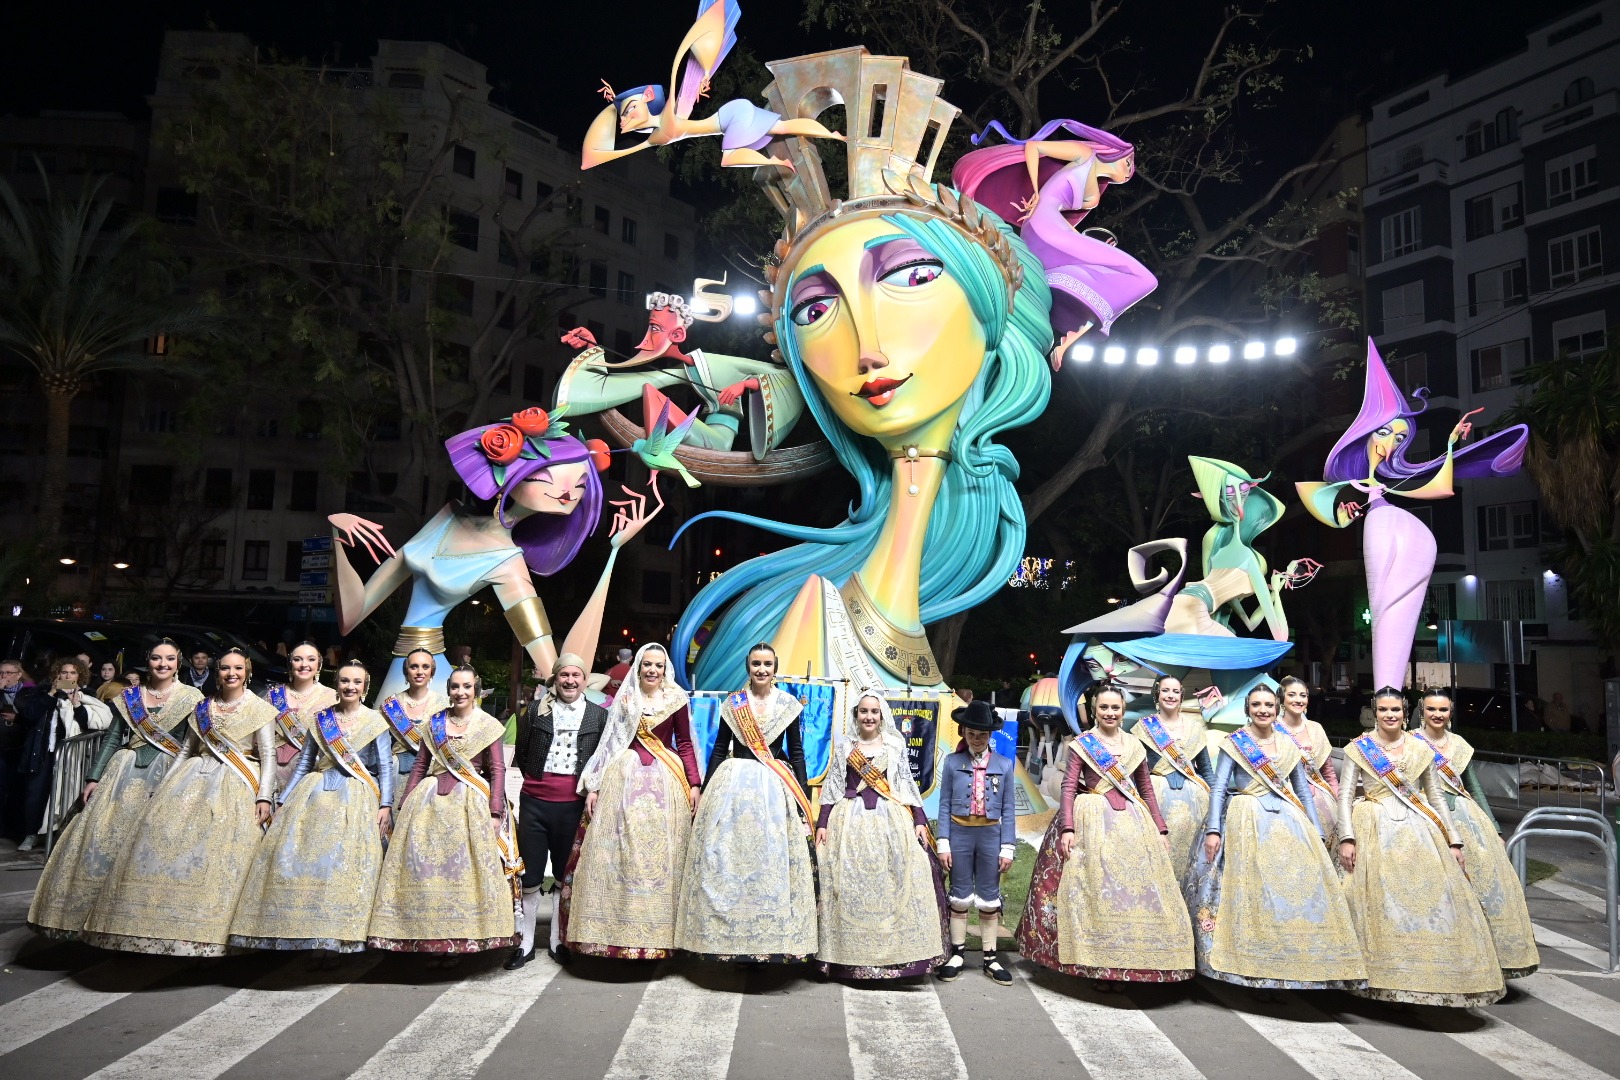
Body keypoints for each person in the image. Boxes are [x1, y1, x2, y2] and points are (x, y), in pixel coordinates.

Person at [327, 408, 656, 703]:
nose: (568, 492)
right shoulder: (448, 516)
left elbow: (554, 667)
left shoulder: (509, 564)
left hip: (434, 683)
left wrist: (614, 553)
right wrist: (337, 540)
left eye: (580, 485)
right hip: (410, 669)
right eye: (547, 478)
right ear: (510, 476)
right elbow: (351, 616)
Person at [1298, 340, 1527, 690]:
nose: (1389, 443)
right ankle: (1385, 693)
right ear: (1366, 432)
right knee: (1383, 607)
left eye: (1399, 437)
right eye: (1384, 431)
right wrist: (1345, 511)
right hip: (1379, 527)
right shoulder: (1354, 483)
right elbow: (1332, 513)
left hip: (1401, 530)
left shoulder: (1394, 480)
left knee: (1392, 608)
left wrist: (1451, 444)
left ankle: (1387, 693)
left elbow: (1440, 487)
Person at [82, 648, 277, 955]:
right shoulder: (203, 707)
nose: (231, 674)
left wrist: (264, 796)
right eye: (225, 668)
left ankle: (211, 932)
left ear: (247, 672)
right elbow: (186, 750)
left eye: (238, 668)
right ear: (217, 672)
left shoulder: (260, 709)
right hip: (192, 778)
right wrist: (165, 787)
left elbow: (268, 755)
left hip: (236, 782)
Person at [1187, 685, 1365, 990]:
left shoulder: (1288, 744)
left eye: (1269, 705)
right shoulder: (1235, 742)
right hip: (1246, 818)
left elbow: (1302, 791)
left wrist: (1317, 831)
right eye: (1256, 704)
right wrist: (1214, 829)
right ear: (1248, 709)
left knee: (1292, 891)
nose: (1263, 710)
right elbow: (1218, 787)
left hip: (1288, 820)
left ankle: (1293, 961)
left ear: (1276, 708)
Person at [1017, 685, 1194, 987]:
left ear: (1123, 711)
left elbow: (1145, 788)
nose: (1110, 713)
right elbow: (1069, 787)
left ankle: (1132, 962)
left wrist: (1161, 829)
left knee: (1131, 896)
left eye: (1115, 708)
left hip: (1133, 825)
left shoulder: (1135, 746)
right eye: (1104, 708)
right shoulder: (1083, 744)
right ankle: (1096, 965)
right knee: (1095, 894)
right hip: (1092, 821)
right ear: (1095, 711)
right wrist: (1068, 828)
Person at [1337, 688, 1505, 1006]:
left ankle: (1427, 974)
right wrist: (1347, 837)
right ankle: (1376, 976)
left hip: (1418, 830)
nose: (1390, 715)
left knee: (1428, 900)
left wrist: (1453, 840)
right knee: (1379, 903)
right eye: (1383, 710)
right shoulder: (1359, 748)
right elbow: (1344, 796)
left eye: (1396, 710)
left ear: (1405, 712)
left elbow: (1436, 797)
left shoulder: (1420, 748)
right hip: (1373, 828)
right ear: (1374, 712)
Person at [28, 642, 204, 938]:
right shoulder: (130, 697)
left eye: (169, 659)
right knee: (107, 839)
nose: (162, 664)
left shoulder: (192, 697)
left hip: (171, 772)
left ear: (178, 662)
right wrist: (93, 777)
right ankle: (97, 916)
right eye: (157, 658)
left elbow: (193, 743)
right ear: (147, 661)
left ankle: (147, 918)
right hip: (126, 771)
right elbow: (112, 739)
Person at [953, 119, 1156, 365]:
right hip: (1043, 224)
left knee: (1130, 280)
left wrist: (1094, 246)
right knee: (1144, 278)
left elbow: (1067, 224)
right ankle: (1064, 296)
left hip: (1049, 234)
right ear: (1120, 155)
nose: (1128, 173)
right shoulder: (1084, 154)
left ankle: (1070, 337)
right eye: (1129, 164)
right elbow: (1034, 147)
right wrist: (1035, 193)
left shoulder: (1094, 193)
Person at [229, 661, 392, 958]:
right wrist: (283, 800)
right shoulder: (321, 720)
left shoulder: (375, 722)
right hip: (314, 794)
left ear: (365, 688)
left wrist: (386, 804)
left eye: (356, 682)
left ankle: (335, 938)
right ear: (336, 684)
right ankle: (302, 931)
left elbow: (384, 768)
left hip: (355, 796)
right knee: (305, 862)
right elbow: (305, 763)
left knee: (340, 866)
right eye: (344, 681)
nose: (350, 687)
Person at [367, 666, 518, 960]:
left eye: (467, 687)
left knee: (461, 873)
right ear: (448, 690)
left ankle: (458, 942)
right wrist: (405, 804)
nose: (460, 692)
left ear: (476, 690)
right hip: (429, 803)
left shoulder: (488, 725)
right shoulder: (434, 723)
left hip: (470, 804)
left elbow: (498, 769)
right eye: (455, 687)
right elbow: (421, 766)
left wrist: (495, 812)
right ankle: (427, 936)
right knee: (427, 871)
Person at [675, 642, 814, 962]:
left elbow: (796, 753)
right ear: (747, 667)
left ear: (775, 668)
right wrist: (706, 791)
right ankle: (729, 939)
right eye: (756, 664)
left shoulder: (788, 705)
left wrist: (803, 797)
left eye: (767, 664)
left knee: (769, 861)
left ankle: (767, 941)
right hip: (733, 787)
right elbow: (719, 749)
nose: (761, 669)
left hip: (773, 789)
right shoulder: (734, 703)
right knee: (728, 859)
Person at [562, 643, 700, 961]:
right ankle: (615, 935)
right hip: (623, 778)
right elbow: (610, 742)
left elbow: (685, 742)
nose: (653, 670)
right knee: (622, 853)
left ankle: (663, 937)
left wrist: (694, 783)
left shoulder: (676, 698)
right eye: (647, 664)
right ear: (638, 667)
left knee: (663, 856)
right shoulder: (626, 698)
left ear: (665, 669)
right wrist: (594, 787)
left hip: (667, 780)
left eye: (658, 665)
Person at [816, 690, 946, 979]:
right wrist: (823, 822)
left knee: (900, 876)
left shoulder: (894, 745)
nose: (869, 717)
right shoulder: (846, 747)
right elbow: (833, 786)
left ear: (882, 715)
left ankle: (897, 958)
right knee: (849, 882)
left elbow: (907, 785)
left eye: (874, 711)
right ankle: (848, 958)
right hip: (850, 822)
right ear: (856, 715)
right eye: (864, 711)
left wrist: (919, 819)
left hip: (889, 819)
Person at [1413, 687, 1538, 978]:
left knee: (1476, 884)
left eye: (1443, 709)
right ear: (1422, 710)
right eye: (1431, 709)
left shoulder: (1460, 746)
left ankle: (1484, 955)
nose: (1437, 715)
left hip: (1465, 819)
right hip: (1425, 816)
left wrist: (1494, 828)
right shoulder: (1410, 742)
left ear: (1451, 712)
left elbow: (1473, 787)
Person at [507, 652, 607, 969]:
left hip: (573, 805)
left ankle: (557, 940)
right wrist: (539, 784)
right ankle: (525, 942)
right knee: (531, 873)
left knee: (564, 874)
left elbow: (602, 759)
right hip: (535, 802)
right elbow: (522, 753)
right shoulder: (535, 711)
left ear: (584, 680)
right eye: (565, 675)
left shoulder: (598, 716)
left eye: (576, 675)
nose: (570, 681)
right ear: (555, 678)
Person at [933, 699, 1017, 985]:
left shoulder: (1004, 765)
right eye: (971, 733)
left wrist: (1008, 847)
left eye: (982, 734)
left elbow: (1008, 809)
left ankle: (990, 958)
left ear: (990, 735)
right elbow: (944, 804)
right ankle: (957, 954)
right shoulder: (952, 762)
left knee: (989, 896)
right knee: (959, 893)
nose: (977, 739)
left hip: (991, 835)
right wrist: (943, 842)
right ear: (964, 733)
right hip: (959, 834)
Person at [11, 659, 113, 849]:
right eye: (64, 672)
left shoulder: (87, 695)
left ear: (80, 676)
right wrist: (51, 693)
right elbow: (29, 716)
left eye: (73, 673)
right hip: (42, 752)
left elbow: (90, 724)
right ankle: (30, 834)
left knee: (65, 794)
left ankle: (60, 835)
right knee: (35, 794)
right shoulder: (42, 693)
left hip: (70, 755)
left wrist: (76, 704)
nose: (67, 676)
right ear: (56, 674)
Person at [1130, 675, 1213, 872]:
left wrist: (1218, 801)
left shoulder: (1194, 728)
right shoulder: (1144, 728)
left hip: (1194, 802)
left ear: (1181, 696)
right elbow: (1134, 771)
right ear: (1157, 695)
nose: (1170, 695)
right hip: (1156, 798)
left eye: (1175, 691)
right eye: (1165, 690)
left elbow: (1206, 769)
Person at [376, 648, 446, 813]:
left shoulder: (444, 705)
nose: (419, 672)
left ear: (432, 671)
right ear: (406, 671)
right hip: (396, 775)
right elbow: (379, 747)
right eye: (414, 666)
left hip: (430, 777)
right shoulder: (390, 705)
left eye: (425, 666)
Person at [266, 643, 337, 796]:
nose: (304, 664)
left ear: (319, 664)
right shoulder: (273, 695)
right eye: (298, 659)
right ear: (290, 663)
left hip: (310, 772)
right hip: (270, 769)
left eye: (311, 659)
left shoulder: (331, 698)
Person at [1276, 675, 1340, 845]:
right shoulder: (1272, 728)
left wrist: (1339, 801)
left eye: (1303, 695)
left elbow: (1328, 772)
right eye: (1292, 695)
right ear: (1282, 699)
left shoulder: (1316, 728)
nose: (1298, 700)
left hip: (1318, 796)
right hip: (1284, 796)